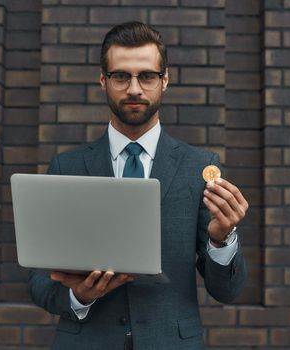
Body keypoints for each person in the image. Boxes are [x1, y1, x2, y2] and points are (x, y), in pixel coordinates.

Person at [28, 21, 248, 350]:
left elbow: (227, 291)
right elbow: (39, 280)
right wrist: (77, 297)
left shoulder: (198, 167)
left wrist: (222, 239)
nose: (134, 89)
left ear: (165, 80)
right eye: (121, 76)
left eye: (146, 76)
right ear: (103, 81)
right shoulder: (66, 167)